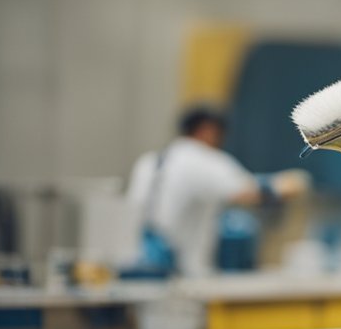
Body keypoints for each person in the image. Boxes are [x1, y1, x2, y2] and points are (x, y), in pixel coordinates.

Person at [127, 105, 307, 277]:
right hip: (181, 277)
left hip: (141, 267)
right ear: (207, 130)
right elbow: (250, 192)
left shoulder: (149, 161)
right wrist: (296, 181)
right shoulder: (201, 159)